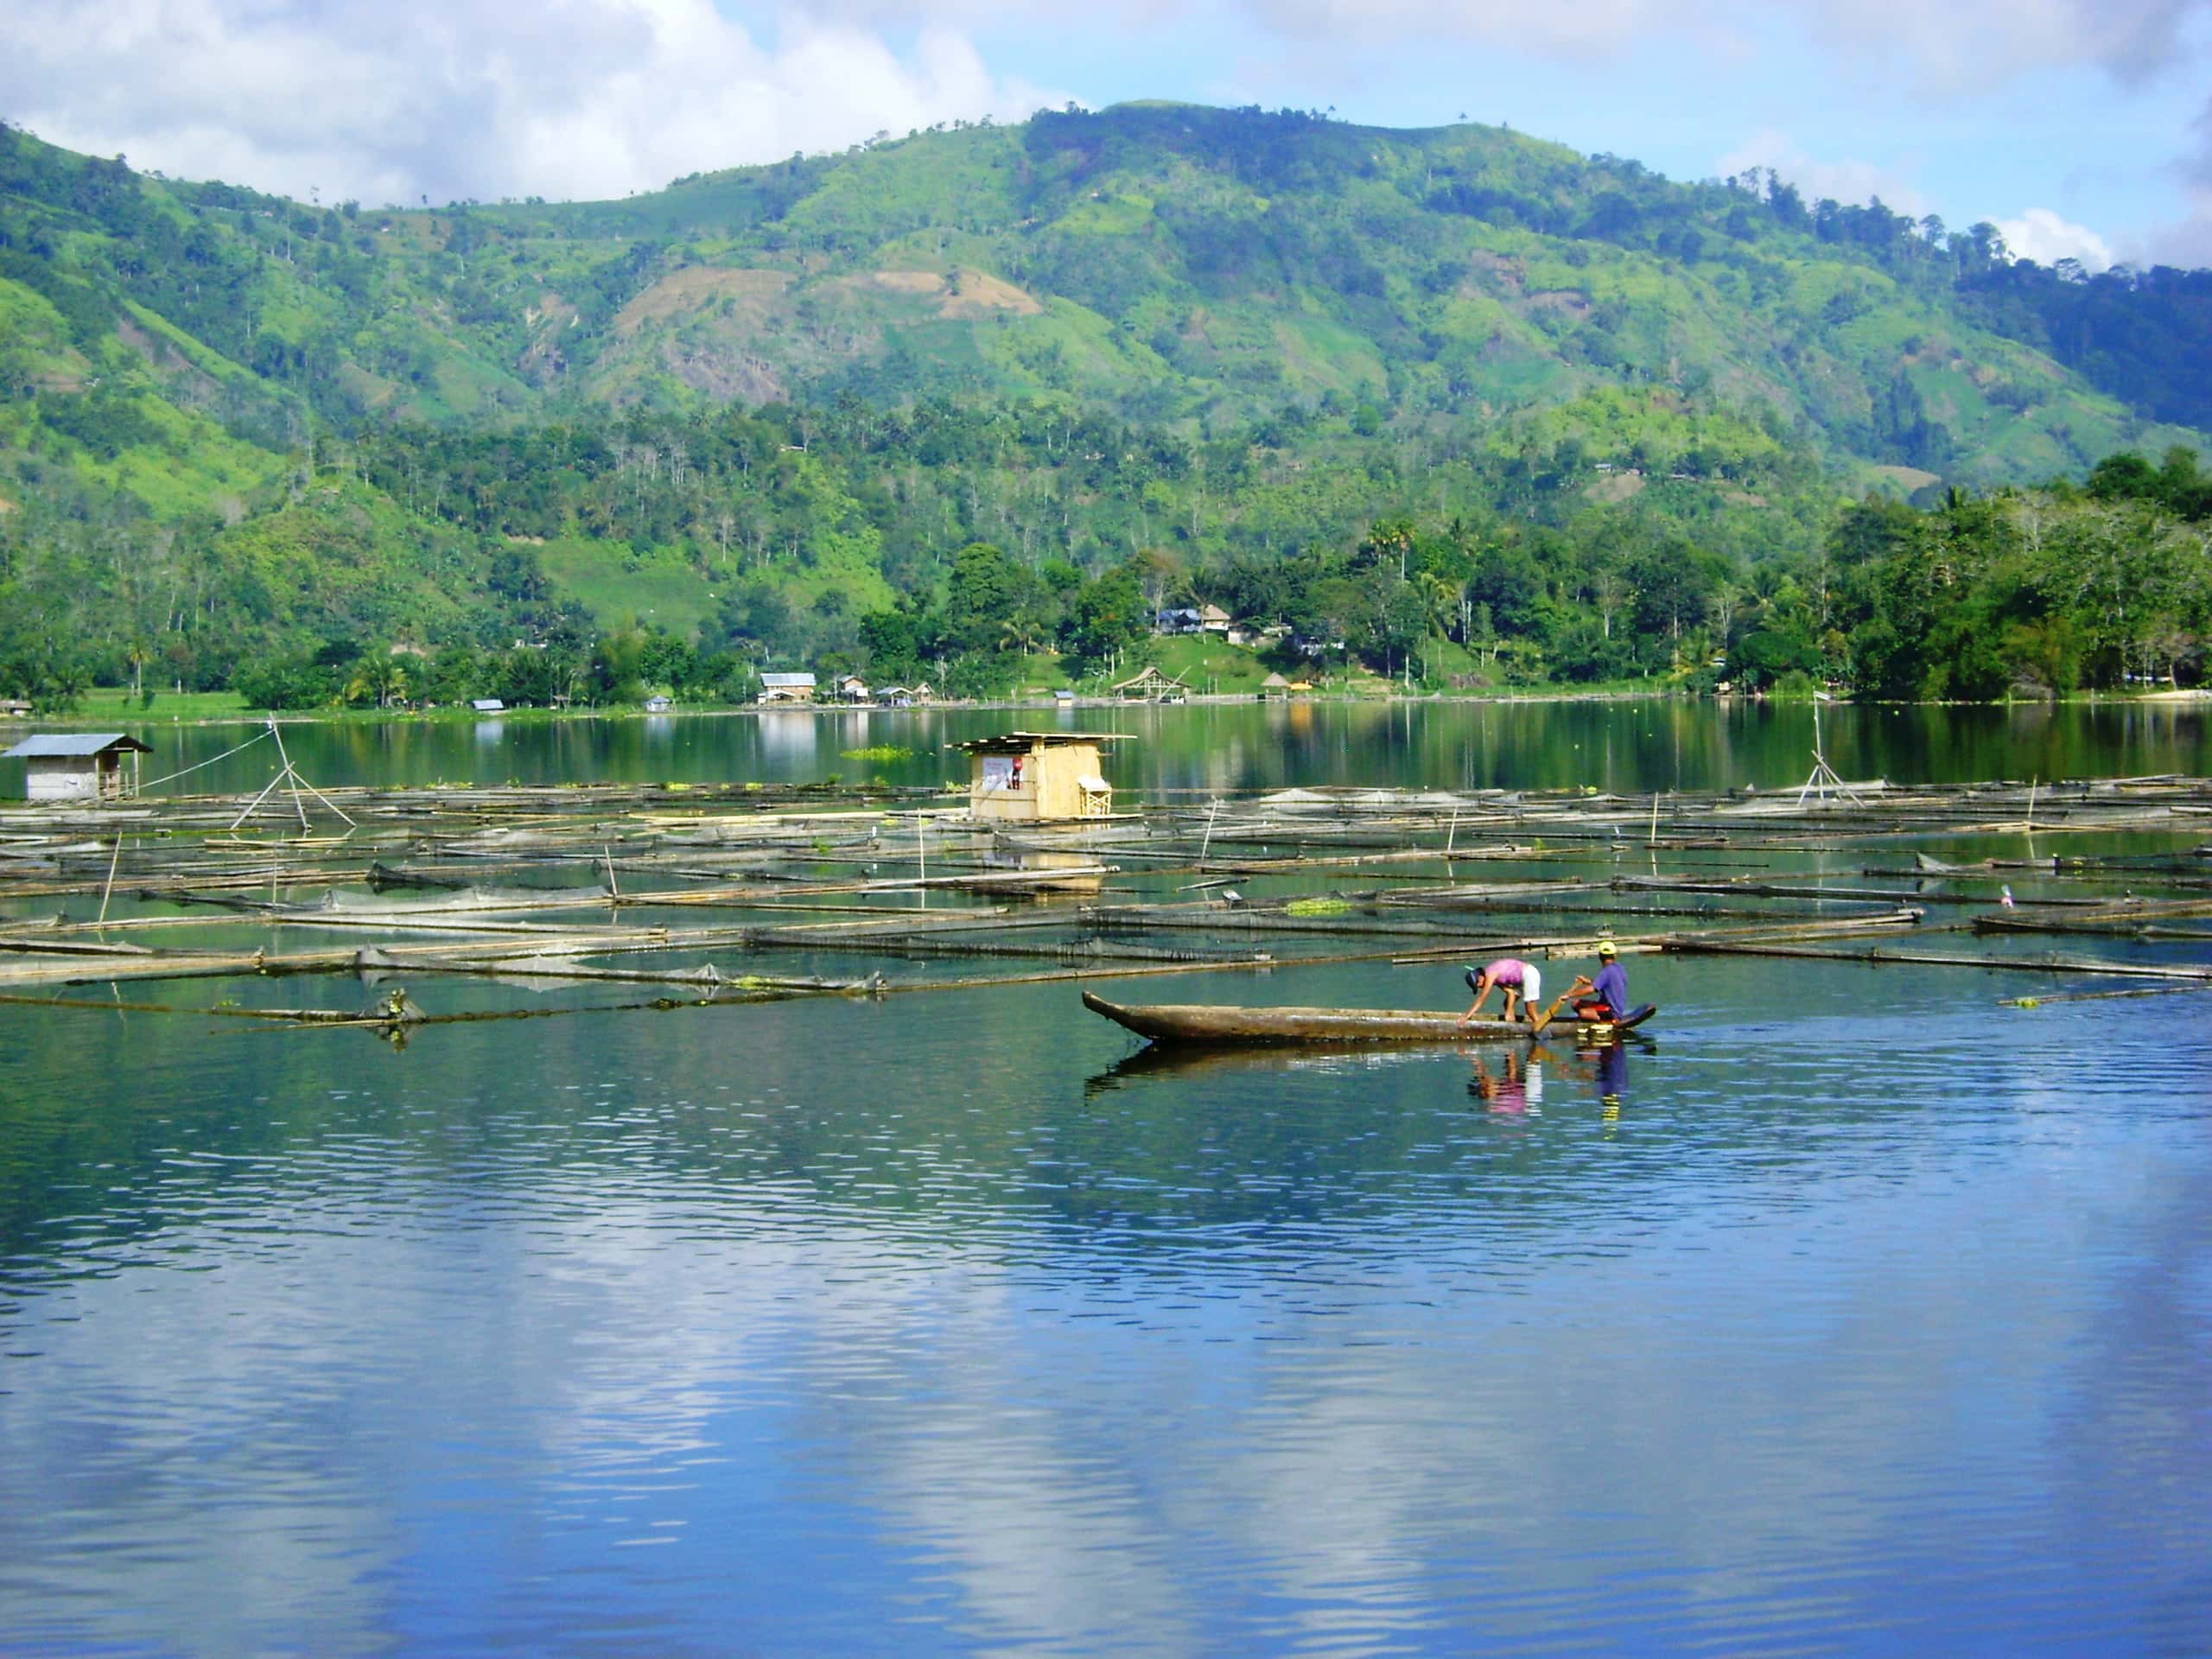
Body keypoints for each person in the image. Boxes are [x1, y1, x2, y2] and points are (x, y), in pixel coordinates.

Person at [1460, 957, 1542, 1026]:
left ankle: (1541, 1030)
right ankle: (1512, 1024)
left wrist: (1466, 1016)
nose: (1481, 987)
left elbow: (1481, 999)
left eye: (1478, 985)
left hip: (1529, 974)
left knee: (1530, 1011)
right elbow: (1510, 992)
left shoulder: (1490, 975)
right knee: (1506, 1004)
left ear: (1480, 978)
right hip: (1521, 980)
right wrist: (1509, 1010)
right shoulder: (1494, 977)